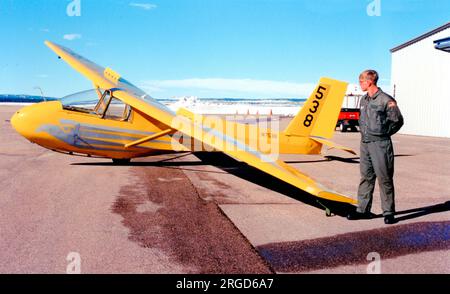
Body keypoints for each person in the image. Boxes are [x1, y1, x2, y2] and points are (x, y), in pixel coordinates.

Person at [347, 70, 404, 224]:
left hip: (380, 144)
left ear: (370, 81)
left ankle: (389, 212)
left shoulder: (385, 100)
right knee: (366, 177)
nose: (360, 84)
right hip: (365, 143)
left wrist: (383, 134)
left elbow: (397, 121)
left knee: (384, 178)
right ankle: (363, 210)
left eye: (361, 82)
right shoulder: (364, 100)